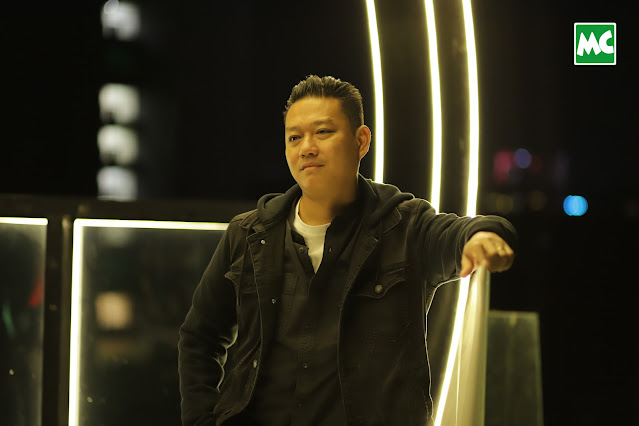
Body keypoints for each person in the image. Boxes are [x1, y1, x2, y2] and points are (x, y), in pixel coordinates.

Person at [178, 75, 516, 426]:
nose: (307, 148)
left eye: (323, 132)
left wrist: (482, 236)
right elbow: (200, 336)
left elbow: (461, 231)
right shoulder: (249, 234)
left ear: (361, 140)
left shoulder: (405, 227)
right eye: (294, 137)